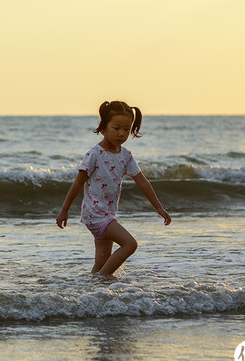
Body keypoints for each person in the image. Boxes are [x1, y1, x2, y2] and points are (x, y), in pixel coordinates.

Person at [56, 101, 171, 276]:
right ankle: (103, 278)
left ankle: (93, 293)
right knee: (130, 244)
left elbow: (141, 181)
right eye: (116, 128)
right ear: (103, 128)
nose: (122, 134)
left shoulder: (125, 155)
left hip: (107, 214)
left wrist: (159, 207)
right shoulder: (95, 154)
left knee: (100, 265)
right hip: (96, 215)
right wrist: (64, 211)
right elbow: (78, 183)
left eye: (127, 129)